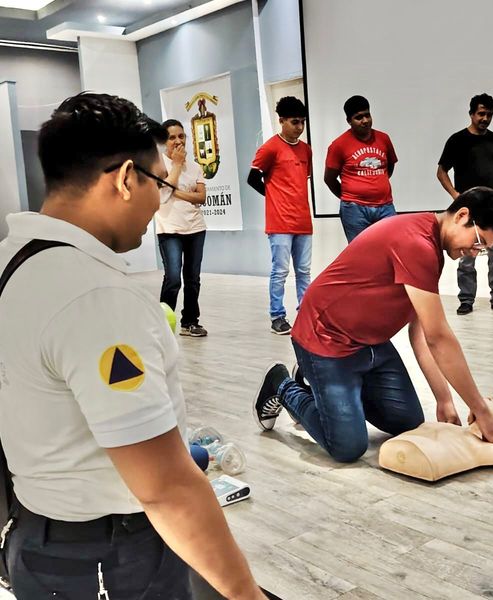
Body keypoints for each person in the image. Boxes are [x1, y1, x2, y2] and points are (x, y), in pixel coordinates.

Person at [0, 93, 265, 599]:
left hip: (36, 538)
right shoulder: (95, 296)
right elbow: (164, 488)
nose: (157, 202)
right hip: (108, 557)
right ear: (125, 179)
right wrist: (245, 593)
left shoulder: (11, 260)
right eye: (159, 182)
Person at [252, 187, 493, 463]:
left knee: (408, 421)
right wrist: (481, 410)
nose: (474, 253)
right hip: (325, 340)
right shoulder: (417, 243)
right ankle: (282, 384)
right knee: (347, 446)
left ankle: (316, 381)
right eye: (479, 242)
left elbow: (423, 334)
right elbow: (439, 338)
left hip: (370, 344)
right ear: (462, 215)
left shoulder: (431, 245)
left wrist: (444, 400)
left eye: (482, 250)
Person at [436, 93, 493, 315]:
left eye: (489, 114)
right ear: (472, 113)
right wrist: (456, 195)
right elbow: (441, 172)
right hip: (469, 208)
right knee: (466, 255)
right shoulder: (457, 140)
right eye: (481, 113)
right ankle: (466, 300)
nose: (485, 118)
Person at [247, 96, 313, 335]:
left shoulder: (306, 150)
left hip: (303, 221)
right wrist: (274, 197)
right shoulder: (270, 148)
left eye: (303, 122)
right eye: (295, 122)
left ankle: (305, 313)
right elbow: (253, 178)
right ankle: (277, 316)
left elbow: (301, 181)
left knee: (304, 271)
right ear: (282, 121)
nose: (300, 127)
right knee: (280, 271)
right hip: (280, 222)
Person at [155, 119, 208, 337]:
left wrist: (173, 191)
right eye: (172, 137)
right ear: (163, 141)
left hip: (195, 227)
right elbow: (161, 194)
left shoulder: (195, 166)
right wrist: (176, 165)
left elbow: (201, 197)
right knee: (173, 278)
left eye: (181, 136)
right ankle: (162, 324)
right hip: (169, 229)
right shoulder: (158, 165)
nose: (178, 141)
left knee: (193, 278)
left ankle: (190, 322)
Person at [324, 95, 398, 242]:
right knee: (361, 253)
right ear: (349, 121)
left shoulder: (384, 139)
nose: (365, 121)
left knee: (392, 246)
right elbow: (329, 179)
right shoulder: (338, 145)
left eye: (367, 115)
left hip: (385, 206)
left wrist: (376, 183)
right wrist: (350, 197)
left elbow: (389, 167)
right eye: (359, 118)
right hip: (355, 210)